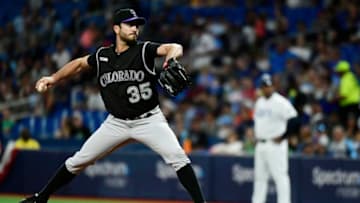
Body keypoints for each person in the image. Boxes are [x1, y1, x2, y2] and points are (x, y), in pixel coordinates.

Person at [20, 8, 206, 203]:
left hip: (149, 120)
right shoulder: (102, 56)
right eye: (130, 24)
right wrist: (53, 77)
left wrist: (170, 60)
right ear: (116, 28)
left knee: (178, 158)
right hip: (116, 123)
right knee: (78, 161)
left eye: (137, 25)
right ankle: (41, 198)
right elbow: (78, 64)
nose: (135, 28)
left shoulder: (143, 50)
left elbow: (174, 47)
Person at [252, 73, 298, 203]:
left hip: (275, 145)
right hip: (261, 144)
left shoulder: (280, 101)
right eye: (265, 86)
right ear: (261, 87)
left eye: (269, 85)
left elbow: (295, 120)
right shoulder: (259, 102)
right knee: (259, 178)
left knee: (280, 177)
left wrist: (284, 136)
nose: (267, 88)